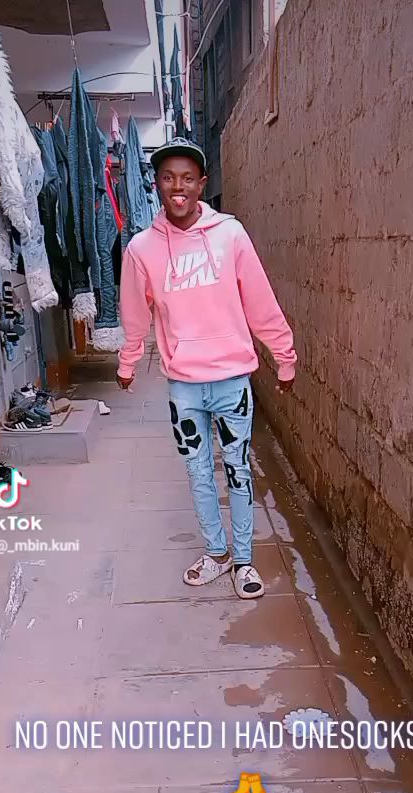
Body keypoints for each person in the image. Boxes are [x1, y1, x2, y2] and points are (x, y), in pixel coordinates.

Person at [116, 137, 297, 599]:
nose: (178, 186)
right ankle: (217, 553)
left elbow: (259, 300)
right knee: (198, 474)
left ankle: (244, 561)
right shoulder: (141, 249)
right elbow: (134, 312)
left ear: (202, 183)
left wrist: (284, 355)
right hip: (184, 388)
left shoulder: (230, 235)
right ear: (157, 184)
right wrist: (128, 360)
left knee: (238, 470)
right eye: (168, 178)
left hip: (233, 380)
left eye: (187, 178)